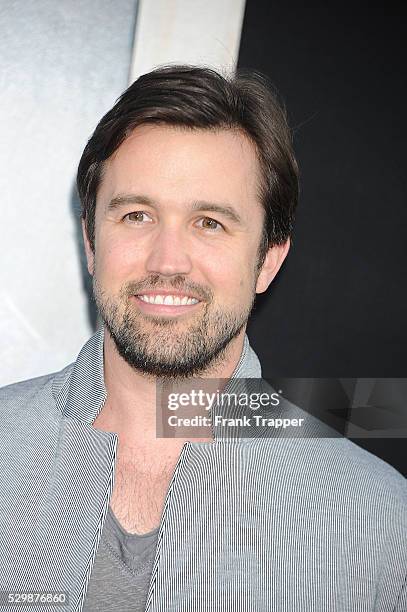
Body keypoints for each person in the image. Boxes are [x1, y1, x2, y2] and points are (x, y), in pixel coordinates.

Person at [0, 65, 405, 612]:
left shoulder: (375, 518)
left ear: (268, 260)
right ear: (92, 244)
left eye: (210, 222)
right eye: (137, 215)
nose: (167, 262)